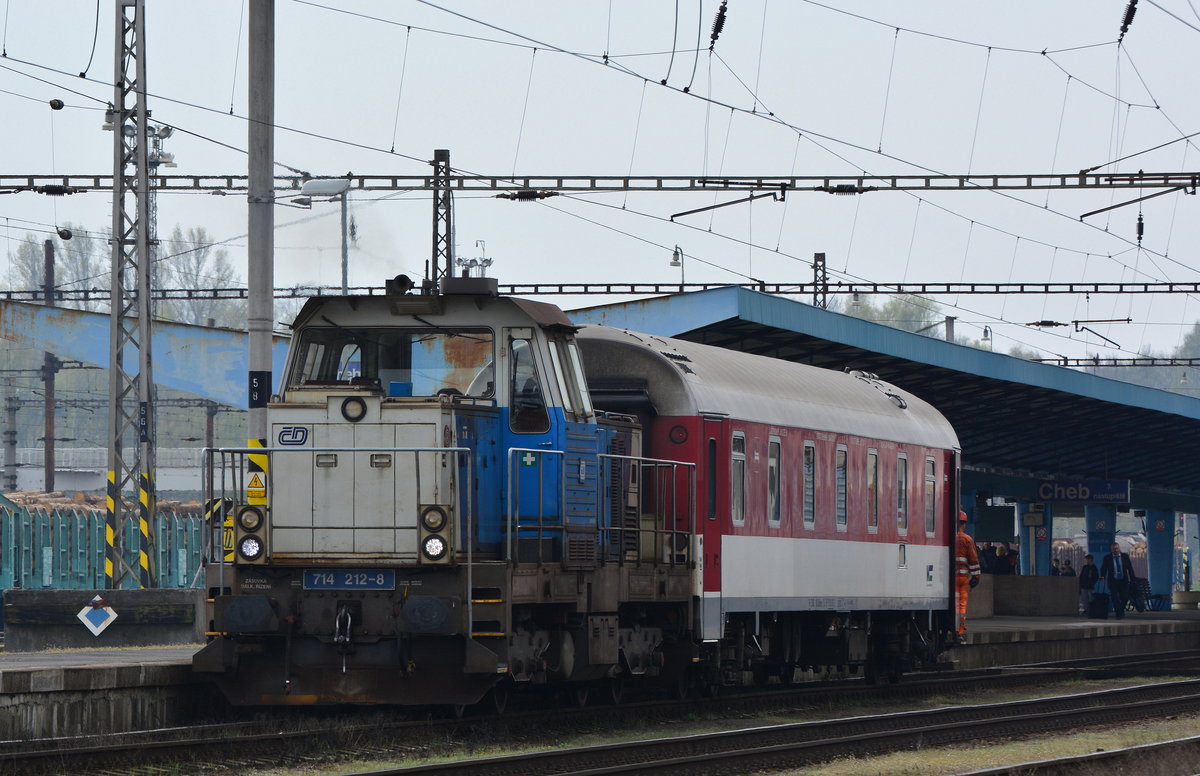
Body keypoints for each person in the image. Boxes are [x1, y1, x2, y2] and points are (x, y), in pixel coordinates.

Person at [954, 510, 982, 644]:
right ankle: (958, 633)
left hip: (947, 580)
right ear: (963, 524)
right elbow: (973, 560)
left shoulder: (946, 537)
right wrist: (976, 577)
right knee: (961, 606)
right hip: (962, 578)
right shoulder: (966, 539)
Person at [1098, 542, 1136, 619]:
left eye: (1116, 548)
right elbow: (1104, 568)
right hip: (1113, 581)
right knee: (1115, 598)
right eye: (1113, 549)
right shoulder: (1107, 558)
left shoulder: (1125, 556)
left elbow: (1130, 568)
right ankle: (1118, 614)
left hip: (1123, 580)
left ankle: (1121, 610)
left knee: (1124, 597)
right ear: (1111, 550)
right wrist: (1102, 576)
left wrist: (1133, 579)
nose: (1115, 550)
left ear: (1119, 548)